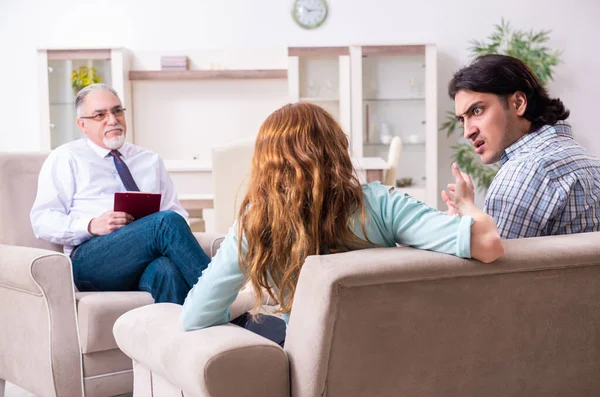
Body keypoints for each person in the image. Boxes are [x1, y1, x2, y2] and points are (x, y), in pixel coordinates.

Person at [180, 102, 504, 342]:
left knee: (256, 323)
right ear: (337, 149)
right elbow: (488, 244)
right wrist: (465, 205)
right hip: (398, 357)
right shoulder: (380, 204)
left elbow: (196, 316)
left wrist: (256, 295)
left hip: (312, 371)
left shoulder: (256, 224)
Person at [30, 83, 211, 304]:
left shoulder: (149, 159)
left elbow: (177, 215)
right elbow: (42, 220)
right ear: (82, 124)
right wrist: (90, 225)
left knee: (168, 271)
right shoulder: (67, 157)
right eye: (100, 115)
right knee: (165, 222)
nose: (112, 120)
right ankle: (232, 305)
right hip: (91, 259)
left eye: (117, 111)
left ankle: (182, 336)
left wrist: (149, 229)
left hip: (144, 258)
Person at [443, 54, 600, 239]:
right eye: (462, 119)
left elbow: (494, 262)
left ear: (518, 103)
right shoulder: (587, 160)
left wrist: (466, 209)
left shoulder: (524, 171)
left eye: (477, 110)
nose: (467, 132)